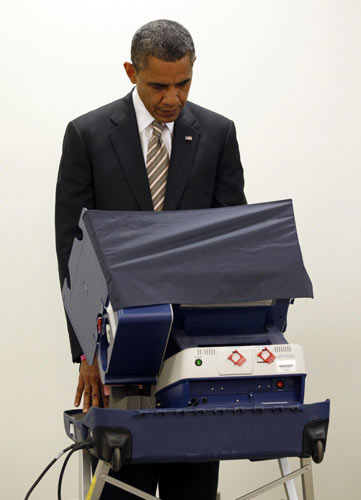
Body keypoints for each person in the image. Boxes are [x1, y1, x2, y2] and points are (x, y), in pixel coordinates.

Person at [55, 19, 246, 500]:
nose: (172, 98)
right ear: (130, 72)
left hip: (196, 352)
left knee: (194, 490)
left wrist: (233, 345)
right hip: (118, 348)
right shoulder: (88, 135)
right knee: (123, 489)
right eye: (159, 85)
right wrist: (85, 352)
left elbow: (230, 245)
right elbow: (72, 253)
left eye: (183, 83)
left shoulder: (218, 134)